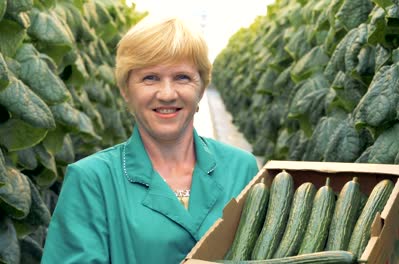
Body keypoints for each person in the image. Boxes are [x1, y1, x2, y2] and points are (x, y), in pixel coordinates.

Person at [42, 16, 259, 264]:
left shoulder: (243, 169)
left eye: (182, 77)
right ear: (126, 90)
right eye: (150, 78)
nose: (167, 94)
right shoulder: (92, 179)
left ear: (201, 87)